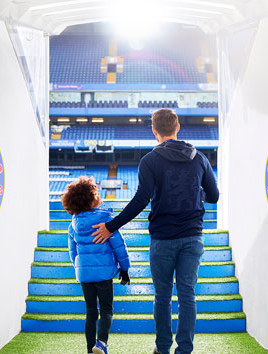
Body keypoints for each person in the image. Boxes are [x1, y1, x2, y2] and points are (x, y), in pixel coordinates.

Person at [91, 109, 219, 354]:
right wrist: (195, 194)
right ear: (177, 127)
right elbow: (214, 196)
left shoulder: (149, 161)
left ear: (154, 131)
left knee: (162, 296)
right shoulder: (200, 158)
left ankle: (162, 349)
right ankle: (184, 350)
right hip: (193, 237)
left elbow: (140, 200)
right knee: (187, 296)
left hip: (162, 239)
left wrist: (110, 226)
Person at [62, 176, 131, 354]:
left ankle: (89, 349)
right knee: (106, 310)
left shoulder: (73, 226)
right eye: (96, 193)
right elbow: (119, 247)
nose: (99, 195)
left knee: (91, 312)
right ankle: (101, 343)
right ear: (91, 201)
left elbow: (73, 252)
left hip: (84, 275)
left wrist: (80, 268)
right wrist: (124, 268)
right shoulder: (106, 222)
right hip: (104, 274)